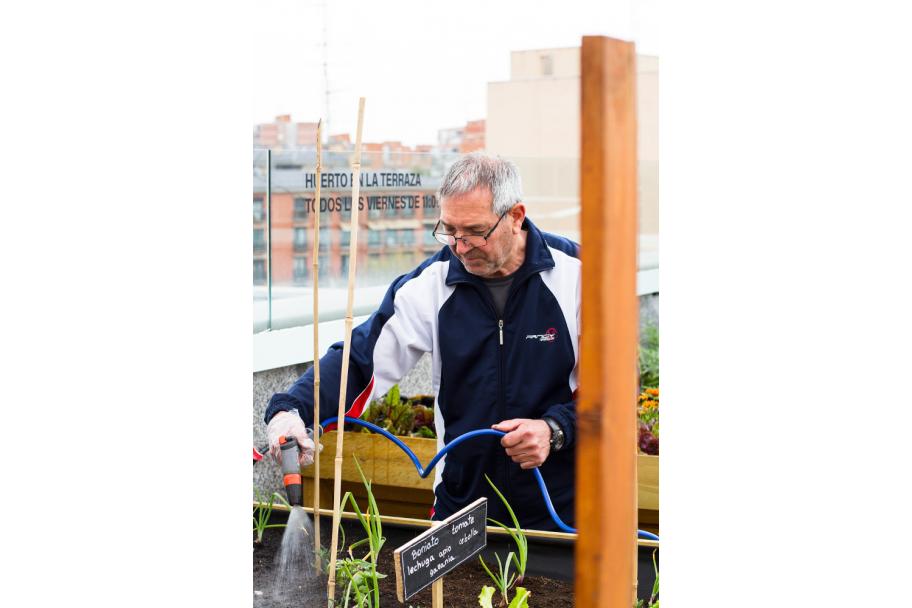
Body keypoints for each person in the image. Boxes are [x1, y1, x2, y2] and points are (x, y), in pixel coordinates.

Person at [265, 152, 579, 531]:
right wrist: (292, 409)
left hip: (566, 506)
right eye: (449, 230)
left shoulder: (578, 276)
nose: (460, 248)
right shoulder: (432, 284)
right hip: (462, 508)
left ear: (515, 216)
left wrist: (553, 429)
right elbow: (362, 360)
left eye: (475, 231)